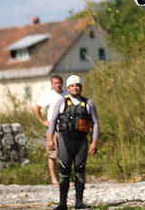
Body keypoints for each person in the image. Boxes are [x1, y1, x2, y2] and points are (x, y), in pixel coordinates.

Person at [48, 75, 99, 210]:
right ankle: (62, 203)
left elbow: (96, 123)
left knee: (80, 171)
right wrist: (50, 139)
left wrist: (94, 141)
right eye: (72, 86)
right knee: (64, 171)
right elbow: (53, 121)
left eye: (77, 85)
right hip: (65, 141)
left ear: (81, 87)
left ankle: (79, 202)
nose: (75, 88)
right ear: (68, 88)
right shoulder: (61, 102)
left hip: (81, 142)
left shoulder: (88, 104)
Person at [33, 75, 70, 186]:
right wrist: (43, 121)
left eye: (59, 83)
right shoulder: (49, 95)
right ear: (52, 84)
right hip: (54, 126)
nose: (57, 85)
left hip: (66, 126)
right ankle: (54, 179)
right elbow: (36, 108)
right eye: (55, 83)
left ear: (62, 83)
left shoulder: (67, 94)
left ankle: (66, 178)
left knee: (67, 153)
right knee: (53, 153)